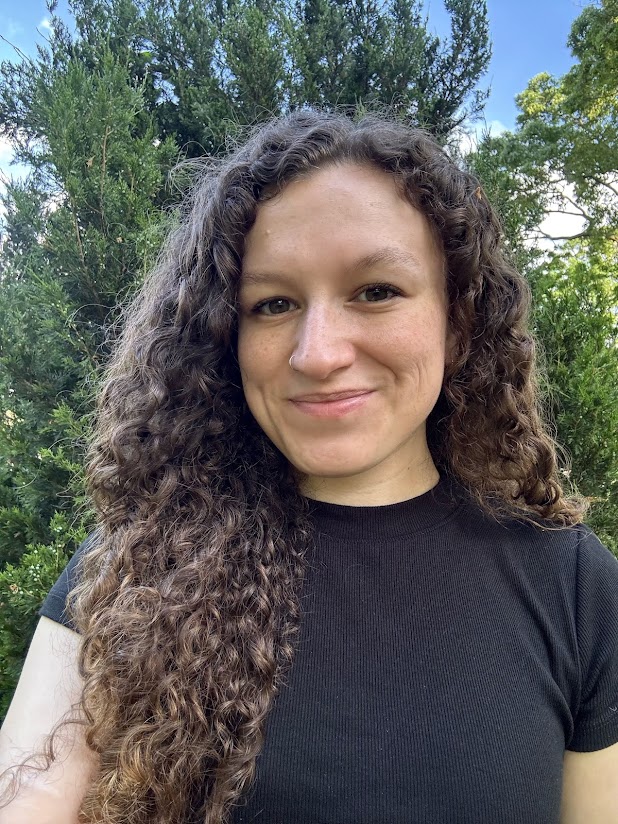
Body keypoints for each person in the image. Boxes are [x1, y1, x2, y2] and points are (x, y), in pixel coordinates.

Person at [0, 109, 617, 824]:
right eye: (273, 304)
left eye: (376, 291)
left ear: (458, 324)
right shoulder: (133, 568)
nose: (317, 353)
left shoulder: (575, 587)